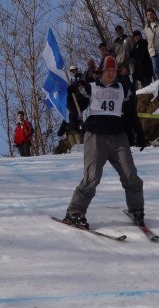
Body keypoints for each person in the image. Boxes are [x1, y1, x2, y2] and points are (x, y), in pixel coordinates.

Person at [63, 55, 147, 229]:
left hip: (118, 137)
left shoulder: (123, 88)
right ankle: (75, 212)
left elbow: (131, 113)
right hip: (96, 136)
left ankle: (136, 209)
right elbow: (75, 109)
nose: (110, 74)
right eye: (107, 70)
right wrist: (71, 95)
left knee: (130, 174)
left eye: (113, 70)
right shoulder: (91, 87)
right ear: (101, 71)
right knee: (92, 177)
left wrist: (139, 133)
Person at [144, 7, 159, 79]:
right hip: (152, 51)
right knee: (156, 69)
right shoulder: (146, 27)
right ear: (146, 17)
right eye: (148, 15)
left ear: (154, 14)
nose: (150, 16)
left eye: (151, 14)